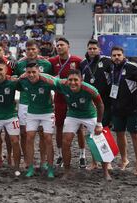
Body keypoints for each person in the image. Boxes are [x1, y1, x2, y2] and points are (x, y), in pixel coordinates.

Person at [54, 69, 105, 180]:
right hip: (73, 115)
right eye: (70, 80)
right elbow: (49, 80)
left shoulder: (90, 89)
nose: (73, 82)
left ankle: (106, 172)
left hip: (90, 115)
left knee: (100, 142)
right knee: (66, 141)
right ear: (66, 81)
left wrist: (99, 124)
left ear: (81, 80)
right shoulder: (62, 85)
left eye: (76, 80)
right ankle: (67, 171)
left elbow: (100, 105)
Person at [13, 40, 53, 169]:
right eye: (28, 49)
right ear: (25, 50)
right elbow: (17, 84)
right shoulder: (19, 64)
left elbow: (50, 82)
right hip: (25, 103)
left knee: (42, 134)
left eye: (33, 49)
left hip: (42, 104)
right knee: (25, 134)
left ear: (38, 50)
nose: (30, 51)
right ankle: (27, 160)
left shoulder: (46, 64)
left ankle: (43, 160)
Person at [48, 37, 86, 168]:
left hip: (75, 99)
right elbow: (43, 71)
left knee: (79, 128)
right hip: (59, 99)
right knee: (59, 127)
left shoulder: (77, 61)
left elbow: (84, 78)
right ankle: (59, 155)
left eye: (61, 45)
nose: (59, 47)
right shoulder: (52, 61)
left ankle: (82, 155)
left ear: (68, 46)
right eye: (57, 45)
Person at [79, 39, 113, 172]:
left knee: (104, 132)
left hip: (104, 102)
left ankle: (107, 161)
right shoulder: (83, 63)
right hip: (89, 104)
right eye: (90, 49)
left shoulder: (107, 61)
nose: (92, 51)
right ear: (87, 49)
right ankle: (94, 162)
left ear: (99, 49)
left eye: (94, 48)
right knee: (92, 134)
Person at [109, 46, 137, 176]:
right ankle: (124, 160)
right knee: (119, 134)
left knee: (135, 135)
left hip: (131, 108)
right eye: (114, 55)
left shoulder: (132, 68)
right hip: (116, 108)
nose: (116, 57)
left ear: (123, 55)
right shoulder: (111, 68)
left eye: (119, 55)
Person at [19, 62, 56, 178]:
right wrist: (19, 77)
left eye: (33, 72)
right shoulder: (23, 81)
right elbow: (11, 82)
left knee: (48, 139)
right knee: (29, 138)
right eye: (28, 72)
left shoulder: (47, 81)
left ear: (38, 72)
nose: (31, 75)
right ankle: (30, 167)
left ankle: (49, 168)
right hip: (32, 113)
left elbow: (61, 84)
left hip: (47, 113)